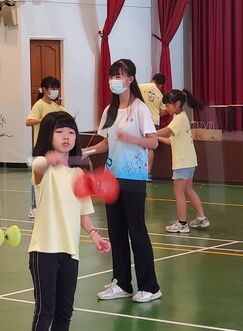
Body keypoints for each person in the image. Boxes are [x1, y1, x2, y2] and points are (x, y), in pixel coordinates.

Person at [83, 59, 162, 303]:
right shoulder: (110, 111)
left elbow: (154, 142)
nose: (114, 80)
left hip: (134, 177)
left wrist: (131, 138)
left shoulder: (140, 109)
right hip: (112, 177)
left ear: (130, 79)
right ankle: (122, 283)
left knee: (136, 232)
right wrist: (85, 152)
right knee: (116, 232)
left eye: (118, 76)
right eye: (111, 76)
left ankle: (150, 286)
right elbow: (106, 142)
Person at [29, 111, 110, 331]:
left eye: (71, 132)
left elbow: (83, 213)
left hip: (71, 252)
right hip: (44, 250)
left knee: (65, 312)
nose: (67, 136)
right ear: (48, 135)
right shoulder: (44, 167)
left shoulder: (78, 175)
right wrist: (49, 160)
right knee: (45, 311)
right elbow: (37, 168)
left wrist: (95, 235)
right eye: (60, 132)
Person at [156, 90, 209, 233]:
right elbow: (171, 141)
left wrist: (149, 133)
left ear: (177, 104)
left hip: (182, 162)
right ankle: (201, 218)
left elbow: (166, 131)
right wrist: (155, 138)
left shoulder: (178, 119)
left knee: (179, 192)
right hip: (190, 161)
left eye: (168, 105)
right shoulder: (182, 118)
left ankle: (182, 224)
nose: (166, 108)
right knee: (188, 190)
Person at [25, 76, 66, 218]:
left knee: (51, 177)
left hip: (53, 149)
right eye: (52, 88)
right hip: (41, 148)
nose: (55, 91)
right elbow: (28, 121)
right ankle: (34, 207)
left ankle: (50, 204)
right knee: (36, 178)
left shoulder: (57, 107)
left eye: (56, 88)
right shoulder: (39, 105)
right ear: (44, 90)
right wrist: (43, 120)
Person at [139, 73, 167, 180]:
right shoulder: (160, 94)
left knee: (138, 144)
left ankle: (137, 171)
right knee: (150, 147)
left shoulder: (141, 87)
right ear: (161, 85)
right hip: (154, 121)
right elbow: (163, 111)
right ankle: (148, 173)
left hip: (140, 119)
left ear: (152, 79)